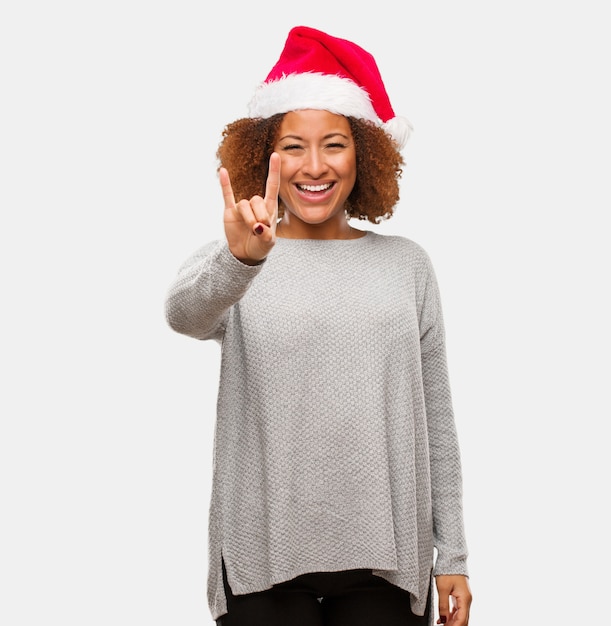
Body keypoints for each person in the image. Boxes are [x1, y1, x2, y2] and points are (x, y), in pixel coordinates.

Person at [165, 25, 472, 626]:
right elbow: (183, 315)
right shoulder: (240, 255)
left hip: (387, 563)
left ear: (364, 152)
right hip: (261, 558)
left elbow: (436, 418)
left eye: (333, 144)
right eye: (293, 146)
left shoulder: (407, 264)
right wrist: (241, 262)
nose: (314, 166)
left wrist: (452, 554)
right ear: (264, 155)